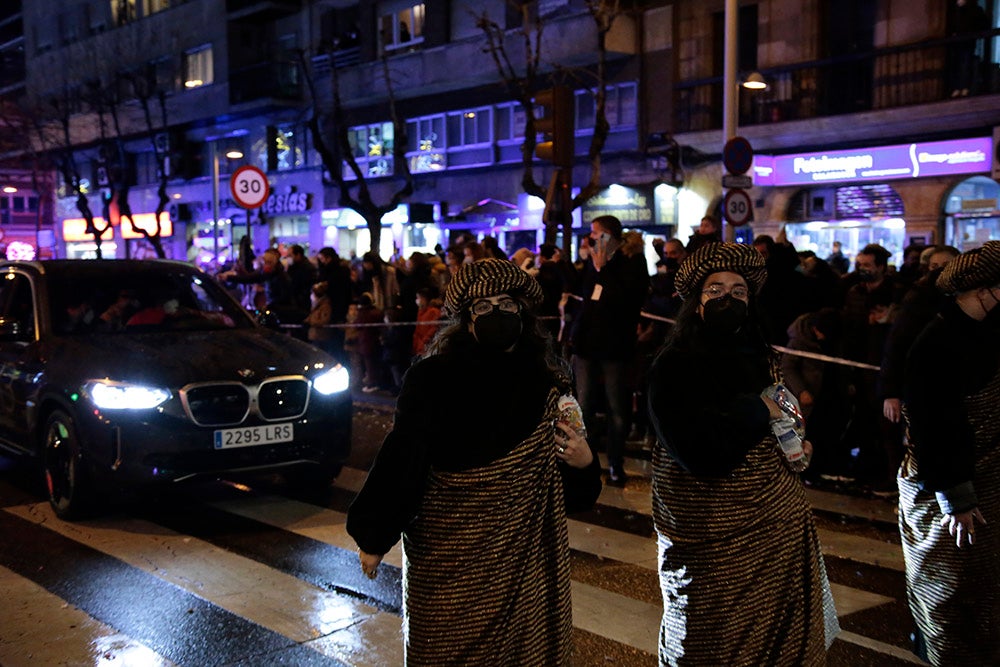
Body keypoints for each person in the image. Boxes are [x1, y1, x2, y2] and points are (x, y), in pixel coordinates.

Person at [347, 258, 602, 665]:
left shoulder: (550, 380)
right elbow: (404, 456)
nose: (497, 312)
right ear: (466, 319)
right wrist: (375, 536)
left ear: (522, 310)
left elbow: (569, 488)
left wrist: (585, 462)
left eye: (506, 302)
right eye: (483, 306)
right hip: (450, 563)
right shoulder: (434, 378)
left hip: (524, 566)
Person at [646, 242, 839, 666]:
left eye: (739, 291)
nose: (727, 298)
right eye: (715, 289)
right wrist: (757, 409)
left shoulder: (760, 357)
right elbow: (696, 450)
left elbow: (780, 418)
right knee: (710, 642)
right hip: (713, 539)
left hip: (776, 532)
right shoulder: (675, 364)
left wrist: (795, 441)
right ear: (696, 301)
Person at [898, 240, 1000, 666]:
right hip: (949, 489)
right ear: (982, 291)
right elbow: (932, 427)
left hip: (988, 479)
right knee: (949, 588)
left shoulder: (989, 330)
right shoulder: (936, 341)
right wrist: (957, 498)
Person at [569, 215, 650, 485]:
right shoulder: (594, 261)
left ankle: (616, 463)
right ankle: (585, 462)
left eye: (596, 233)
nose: (592, 238)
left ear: (609, 235)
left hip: (614, 345)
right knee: (584, 406)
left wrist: (603, 270)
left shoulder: (632, 260)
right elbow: (588, 296)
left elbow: (628, 300)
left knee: (617, 407)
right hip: (587, 343)